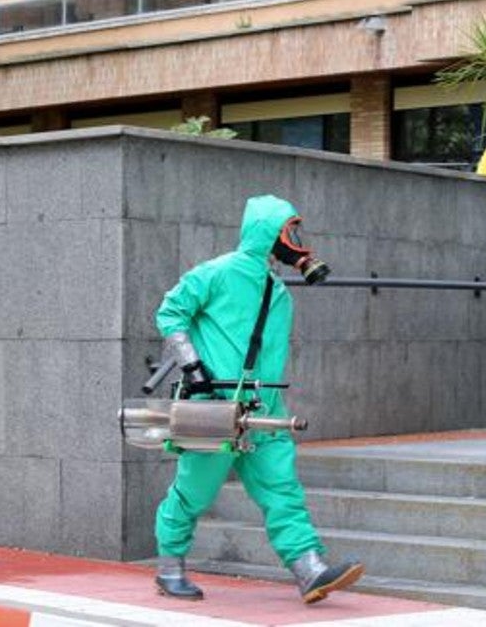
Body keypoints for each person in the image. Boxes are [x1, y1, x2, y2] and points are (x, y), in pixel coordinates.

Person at [152, 194, 363, 602]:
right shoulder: (217, 272)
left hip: (263, 407)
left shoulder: (276, 291)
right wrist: (193, 367)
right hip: (214, 404)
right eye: (289, 231)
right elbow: (170, 312)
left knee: (282, 487)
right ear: (269, 232)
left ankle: (309, 569)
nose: (295, 242)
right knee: (194, 490)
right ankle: (169, 566)